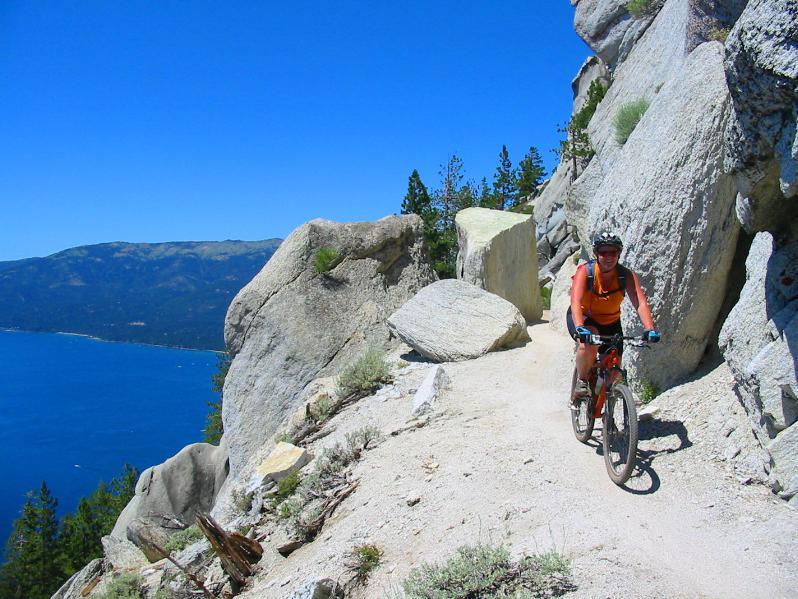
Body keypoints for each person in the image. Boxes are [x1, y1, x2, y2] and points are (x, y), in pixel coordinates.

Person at [566, 232, 660, 401]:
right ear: (596, 254)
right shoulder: (585, 272)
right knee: (588, 345)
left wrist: (650, 329)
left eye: (613, 253)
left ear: (619, 254)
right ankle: (582, 381)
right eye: (603, 253)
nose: (608, 257)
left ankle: (607, 418)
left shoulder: (626, 275)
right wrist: (580, 327)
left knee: (614, 373)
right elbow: (575, 301)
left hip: (611, 322)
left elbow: (640, 303)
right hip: (585, 318)